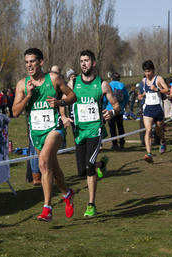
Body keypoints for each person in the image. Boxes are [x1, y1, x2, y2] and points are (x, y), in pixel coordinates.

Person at [12, 48, 76, 222]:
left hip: (54, 128)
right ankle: (67, 193)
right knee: (52, 168)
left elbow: (72, 96)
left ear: (41, 62)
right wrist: (28, 97)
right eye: (26, 62)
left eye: (32, 61)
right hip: (36, 132)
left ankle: (47, 208)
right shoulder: (22, 85)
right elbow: (15, 112)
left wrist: (60, 101)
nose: (29, 65)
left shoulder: (53, 79)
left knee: (43, 163)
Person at [65, 50, 120, 217]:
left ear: (93, 63)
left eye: (87, 60)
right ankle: (100, 165)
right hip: (79, 131)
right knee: (82, 170)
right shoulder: (73, 83)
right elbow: (63, 100)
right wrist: (64, 116)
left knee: (89, 165)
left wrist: (111, 112)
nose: (83, 63)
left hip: (95, 129)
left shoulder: (102, 84)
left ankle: (91, 204)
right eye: (81, 60)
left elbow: (116, 105)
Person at [140, 60, 169, 163]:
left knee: (159, 129)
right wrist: (142, 95)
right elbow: (146, 91)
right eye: (145, 71)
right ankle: (149, 154)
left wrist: (157, 89)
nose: (147, 73)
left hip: (158, 108)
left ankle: (163, 140)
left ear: (153, 70)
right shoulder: (144, 81)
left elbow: (167, 89)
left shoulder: (158, 79)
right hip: (148, 108)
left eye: (149, 71)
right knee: (148, 130)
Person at [104, 72, 129, 150]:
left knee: (112, 128)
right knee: (120, 127)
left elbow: (105, 98)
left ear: (111, 78)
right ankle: (122, 143)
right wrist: (123, 106)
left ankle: (114, 144)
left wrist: (104, 107)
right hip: (119, 110)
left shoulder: (109, 85)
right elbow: (126, 97)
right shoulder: (122, 85)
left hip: (110, 109)